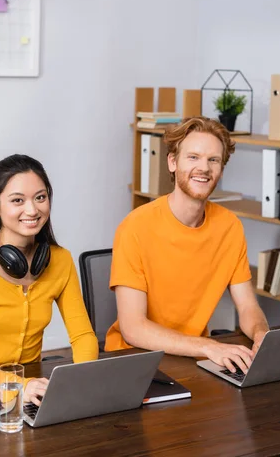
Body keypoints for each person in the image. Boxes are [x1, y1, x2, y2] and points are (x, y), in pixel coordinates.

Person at [105, 117, 269, 374]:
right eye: (193, 157)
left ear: (221, 170)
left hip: (192, 358)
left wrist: (262, 335)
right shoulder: (135, 227)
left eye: (213, 160)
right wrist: (208, 347)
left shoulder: (230, 227)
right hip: (135, 360)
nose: (204, 168)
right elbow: (133, 327)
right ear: (173, 162)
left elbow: (248, 306)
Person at [0, 154, 98, 405]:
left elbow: (83, 337)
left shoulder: (60, 260)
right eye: (17, 200)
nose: (32, 210)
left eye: (40, 197)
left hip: (31, 391)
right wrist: (18, 385)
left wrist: (82, 382)